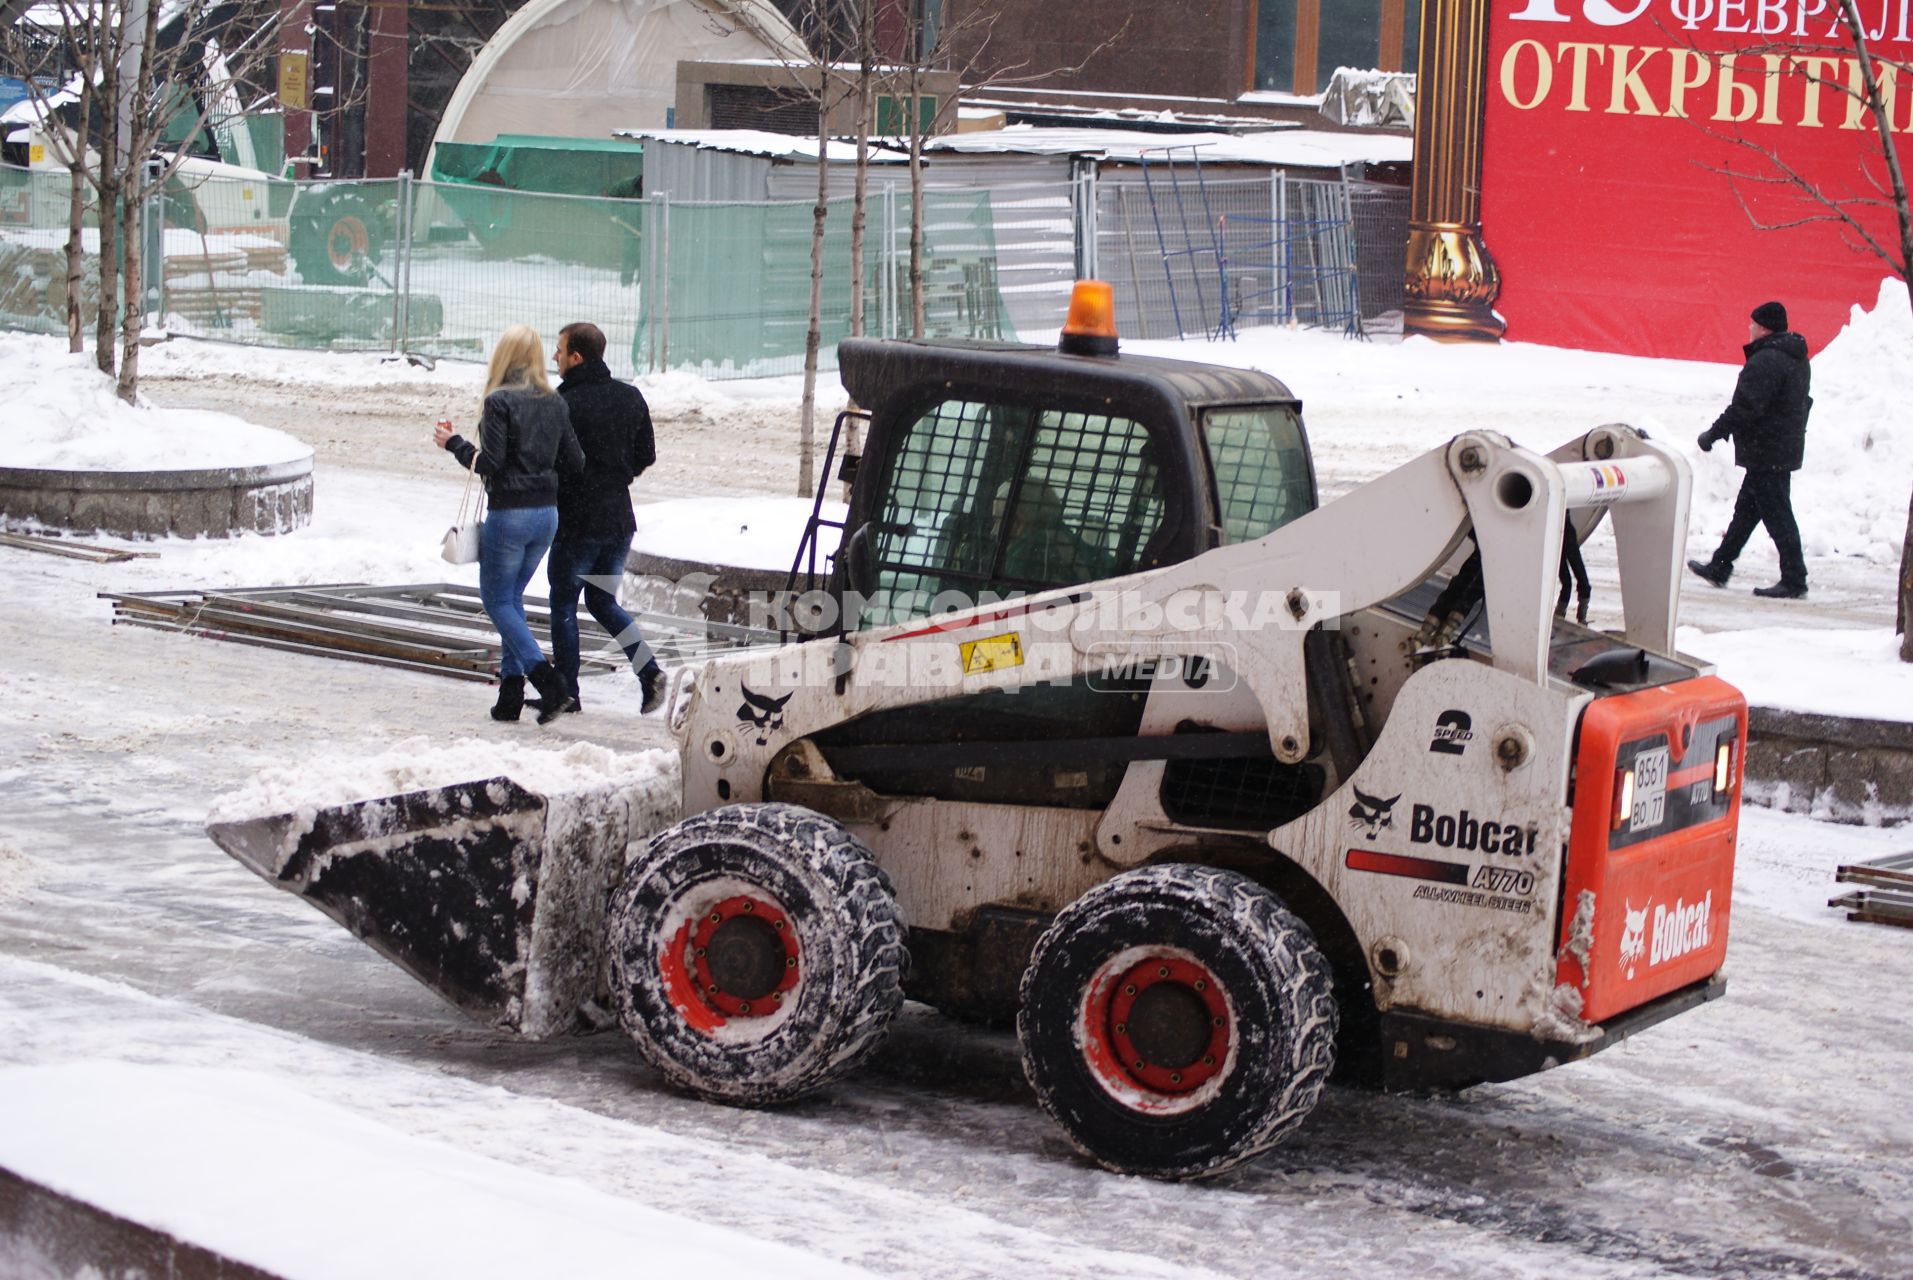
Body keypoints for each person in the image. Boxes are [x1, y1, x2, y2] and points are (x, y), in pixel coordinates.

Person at [433, 325, 585, 723]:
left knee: (497, 601)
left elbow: (490, 464)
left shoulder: (499, 401)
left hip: (510, 515)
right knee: (511, 603)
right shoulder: (555, 402)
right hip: (546, 517)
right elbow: (576, 461)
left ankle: (549, 685)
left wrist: (454, 444)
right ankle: (510, 696)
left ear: (503, 357)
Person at [544, 321, 666, 715]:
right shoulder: (630, 397)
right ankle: (648, 671)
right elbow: (646, 454)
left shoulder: (562, 403)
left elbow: (551, 462)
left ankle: (567, 692)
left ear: (576, 357)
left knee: (564, 604)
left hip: (577, 521)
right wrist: (618, 475)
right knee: (601, 599)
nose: (554, 357)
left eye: (559, 351)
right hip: (618, 520)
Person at [1688, 300, 1812, 600]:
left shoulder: (1767, 360)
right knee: (1747, 511)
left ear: (1764, 328)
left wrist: (1713, 434)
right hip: (1779, 447)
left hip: (1767, 450)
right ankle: (1720, 566)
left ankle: (1795, 579)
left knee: (1778, 515)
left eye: (1752, 324)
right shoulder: (1794, 357)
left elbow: (1744, 407)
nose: (1749, 328)